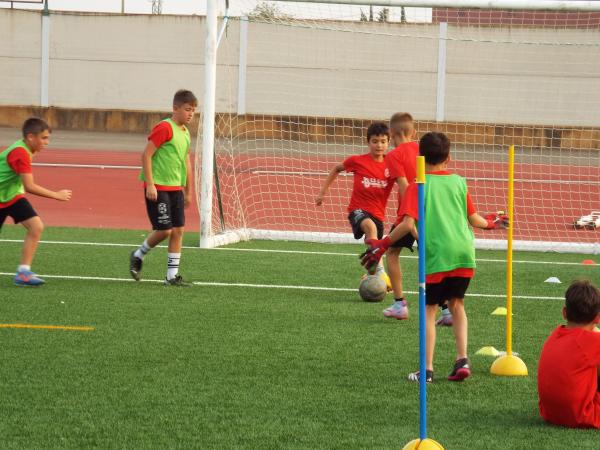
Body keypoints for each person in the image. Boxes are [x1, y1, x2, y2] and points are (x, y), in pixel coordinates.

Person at [360, 132, 507, 382]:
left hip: (437, 254)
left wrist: (383, 244)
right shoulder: (459, 182)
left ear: (419, 157)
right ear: (448, 157)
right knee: (457, 304)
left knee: (429, 309)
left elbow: (407, 225)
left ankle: (427, 369)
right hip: (463, 253)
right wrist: (493, 224)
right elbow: (475, 219)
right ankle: (462, 359)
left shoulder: (418, 186)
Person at [382, 113, 453, 325]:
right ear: (413, 133)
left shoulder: (393, 155)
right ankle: (447, 309)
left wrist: (409, 220)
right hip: (432, 210)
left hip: (411, 212)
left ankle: (399, 304)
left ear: (392, 134)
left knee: (392, 252)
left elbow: (406, 188)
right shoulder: (421, 149)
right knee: (432, 259)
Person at [129, 89, 197, 286]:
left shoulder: (185, 133)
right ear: (175, 108)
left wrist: (189, 191)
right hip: (158, 187)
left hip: (176, 188)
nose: (191, 113)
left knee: (178, 231)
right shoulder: (165, 128)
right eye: (187, 109)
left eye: (193, 110)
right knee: (165, 230)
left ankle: (171, 277)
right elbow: (146, 155)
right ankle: (138, 254)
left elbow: (186, 163)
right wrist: (150, 183)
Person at [316, 122, 395, 284]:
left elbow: (404, 182)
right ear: (368, 142)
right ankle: (381, 272)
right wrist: (322, 193)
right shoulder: (357, 161)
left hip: (378, 215)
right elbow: (337, 169)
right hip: (357, 210)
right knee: (370, 228)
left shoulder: (392, 165)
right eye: (374, 141)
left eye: (383, 141)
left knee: (374, 241)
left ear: (389, 142)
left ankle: (373, 274)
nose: (379, 145)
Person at [0, 117, 72, 286]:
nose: (47, 142)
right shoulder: (21, 152)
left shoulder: (28, 148)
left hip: (10, 195)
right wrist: (56, 195)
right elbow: (29, 186)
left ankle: (23, 273)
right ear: (31, 137)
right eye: (44, 138)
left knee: (36, 226)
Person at [538, 280, 600, 429]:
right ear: (597, 318)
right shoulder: (592, 341)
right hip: (582, 416)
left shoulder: (556, 334)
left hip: (550, 413)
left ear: (564, 312)